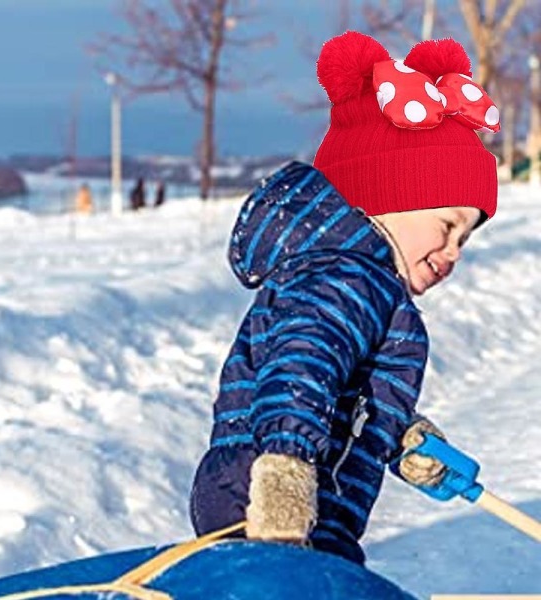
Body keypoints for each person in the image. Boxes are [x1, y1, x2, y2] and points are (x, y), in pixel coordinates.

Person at [190, 31, 499, 564]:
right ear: (388, 197)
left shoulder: (366, 285)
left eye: (465, 239)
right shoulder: (346, 278)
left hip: (306, 497)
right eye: (447, 225)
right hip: (270, 496)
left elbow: (344, 397)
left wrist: (400, 440)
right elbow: (300, 367)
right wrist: (284, 470)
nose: (453, 252)